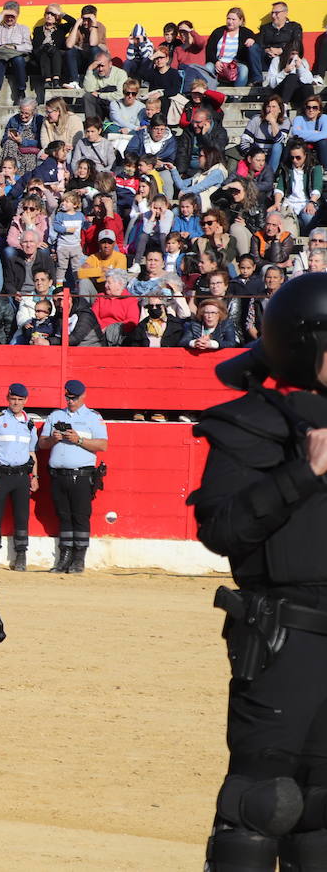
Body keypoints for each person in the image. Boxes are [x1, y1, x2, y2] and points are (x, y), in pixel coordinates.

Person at [190, 272, 327, 869]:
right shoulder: (251, 424)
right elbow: (221, 531)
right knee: (262, 800)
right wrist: (305, 473)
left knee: (322, 809)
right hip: (282, 638)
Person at [38, 380, 108, 574]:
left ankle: (79, 558)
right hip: (59, 475)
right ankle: (65, 557)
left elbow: (102, 445)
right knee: (63, 516)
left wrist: (79, 440)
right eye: (68, 398)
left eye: (74, 398)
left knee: (80, 516)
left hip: (82, 475)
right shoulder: (55, 415)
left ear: (83, 396)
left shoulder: (93, 417)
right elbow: (42, 444)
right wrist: (53, 439)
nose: (70, 402)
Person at [0, 384, 38, 572]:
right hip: (1, 475)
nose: (16, 403)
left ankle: (21, 555)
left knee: (22, 517)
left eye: (20, 400)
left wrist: (35, 476)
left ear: (26, 401)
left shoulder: (30, 423)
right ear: (8, 398)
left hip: (22, 476)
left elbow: (32, 452)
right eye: (13, 399)